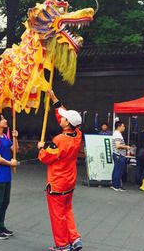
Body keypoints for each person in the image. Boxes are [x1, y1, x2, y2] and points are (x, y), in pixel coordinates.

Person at [37, 91, 83, 251]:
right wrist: (54, 98)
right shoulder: (77, 134)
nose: (60, 118)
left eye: (63, 118)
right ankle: (74, 238)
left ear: (67, 123)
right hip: (69, 180)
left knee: (57, 215)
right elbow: (62, 116)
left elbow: (44, 158)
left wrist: (41, 148)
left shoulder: (59, 140)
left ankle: (62, 245)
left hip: (57, 182)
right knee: (67, 210)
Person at [0, 114, 18, 240]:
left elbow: (15, 149)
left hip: (6, 174)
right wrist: (10, 163)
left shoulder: (5, 136)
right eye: (3, 119)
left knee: (6, 201)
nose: (6, 120)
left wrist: (15, 138)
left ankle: (1, 225)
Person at [111, 121, 130, 192]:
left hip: (117, 154)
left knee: (116, 169)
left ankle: (114, 185)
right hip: (119, 155)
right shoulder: (118, 135)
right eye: (123, 126)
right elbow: (118, 146)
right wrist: (126, 147)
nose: (124, 128)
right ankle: (117, 186)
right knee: (118, 170)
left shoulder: (116, 133)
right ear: (119, 126)